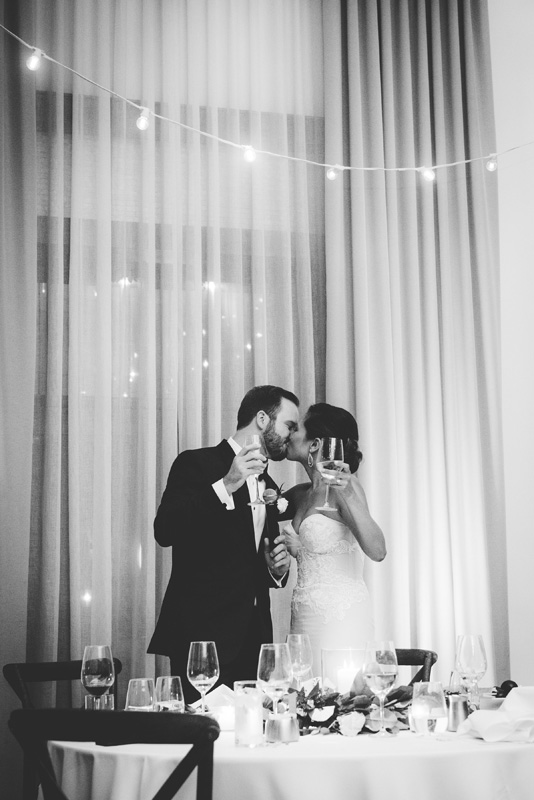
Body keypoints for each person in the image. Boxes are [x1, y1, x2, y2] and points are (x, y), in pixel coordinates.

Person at [148, 385, 300, 703]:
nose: (292, 434)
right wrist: (227, 484)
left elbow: (250, 557)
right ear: (262, 419)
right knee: (202, 740)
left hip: (256, 640)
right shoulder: (196, 464)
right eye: (290, 425)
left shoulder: (268, 484)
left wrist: (275, 570)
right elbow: (165, 531)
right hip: (202, 641)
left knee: (249, 742)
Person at [283, 402, 386, 676]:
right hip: (304, 616)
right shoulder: (299, 495)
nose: (289, 434)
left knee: (338, 700)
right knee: (302, 696)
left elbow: (377, 550)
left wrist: (350, 495)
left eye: (295, 429)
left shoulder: (345, 487)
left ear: (315, 444)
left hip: (341, 618)